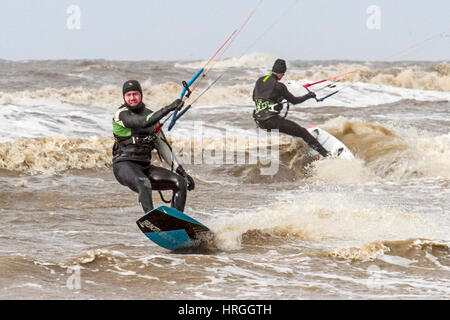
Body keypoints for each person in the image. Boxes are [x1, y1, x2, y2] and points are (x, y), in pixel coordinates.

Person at [112, 80, 195, 214]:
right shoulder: (121, 115)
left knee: (180, 183)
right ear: (124, 97)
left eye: (135, 94)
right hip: (124, 165)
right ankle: (152, 220)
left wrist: (182, 172)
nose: (132, 98)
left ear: (141, 95)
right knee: (144, 183)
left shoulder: (151, 115)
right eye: (128, 95)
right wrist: (169, 108)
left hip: (144, 167)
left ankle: (175, 221)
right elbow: (140, 123)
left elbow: (163, 147)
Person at [252, 59, 329, 157]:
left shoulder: (260, 80)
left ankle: (305, 148)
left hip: (259, 121)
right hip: (271, 121)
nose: (283, 76)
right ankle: (326, 155)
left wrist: (277, 99)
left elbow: (255, 98)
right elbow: (294, 101)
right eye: (283, 74)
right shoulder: (279, 86)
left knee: (293, 130)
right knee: (303, 132)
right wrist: (308, 96)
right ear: (282, 73)